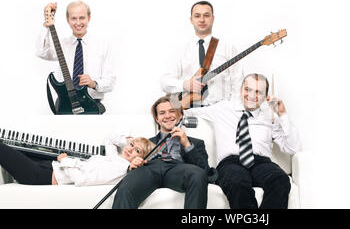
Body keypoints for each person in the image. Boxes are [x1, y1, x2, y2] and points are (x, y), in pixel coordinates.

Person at [184, 73, 301, 209]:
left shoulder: (270, 116)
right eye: (248, 89)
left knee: (281, 180)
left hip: (261, 162)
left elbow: (293, 148)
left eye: (258, 92)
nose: (251, 96)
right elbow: (186, 112)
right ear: (241, 90)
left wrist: (282, 114)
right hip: (230, 163)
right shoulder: (222, 108)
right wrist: (186, 90)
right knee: (237, 183)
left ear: (265, 97)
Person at [112, 96, 213, 209]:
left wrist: (186, 144)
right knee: (127, 186)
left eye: (172, 111)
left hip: (177, 170)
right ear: (157, 118)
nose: (167, 116)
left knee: (197, 174)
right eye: (162, 113)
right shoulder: (146, 142)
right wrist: (133, 165)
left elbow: (204, 172)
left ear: (180, 115)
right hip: (150, 169)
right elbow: (134, 167)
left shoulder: (195, 143)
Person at [36, 1, 116, 114]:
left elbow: (111, 81)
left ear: (89, 17)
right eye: (74, 18)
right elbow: (41, 52)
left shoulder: (103, 45)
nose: (78, 23)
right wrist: (46, 27)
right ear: (68, 19)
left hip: (91, 106)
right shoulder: (61, 44)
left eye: (82, 18)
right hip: (65, 105)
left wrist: (94, 83)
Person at [160, 0, 244, 107]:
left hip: (220, 109)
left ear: (213, 19)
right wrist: (185, 84)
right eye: (197, 16)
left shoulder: (227, 47)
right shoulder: (180, 50)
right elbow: (165, 82)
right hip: (188, 110)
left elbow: (238, 81)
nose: (202, 20)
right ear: (191, 20)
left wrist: (234, 108)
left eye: (206, 15)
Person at [0, 136, 153, 186]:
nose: (130, 149)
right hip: (49, 168)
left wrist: (66, 160)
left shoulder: (120, 169)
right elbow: (110, 140)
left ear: (141, 158)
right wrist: (126, 139)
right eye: (132, 145)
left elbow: (81, 179)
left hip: (42, 175)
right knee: (12, 146)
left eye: (137, 151)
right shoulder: (117, 160)